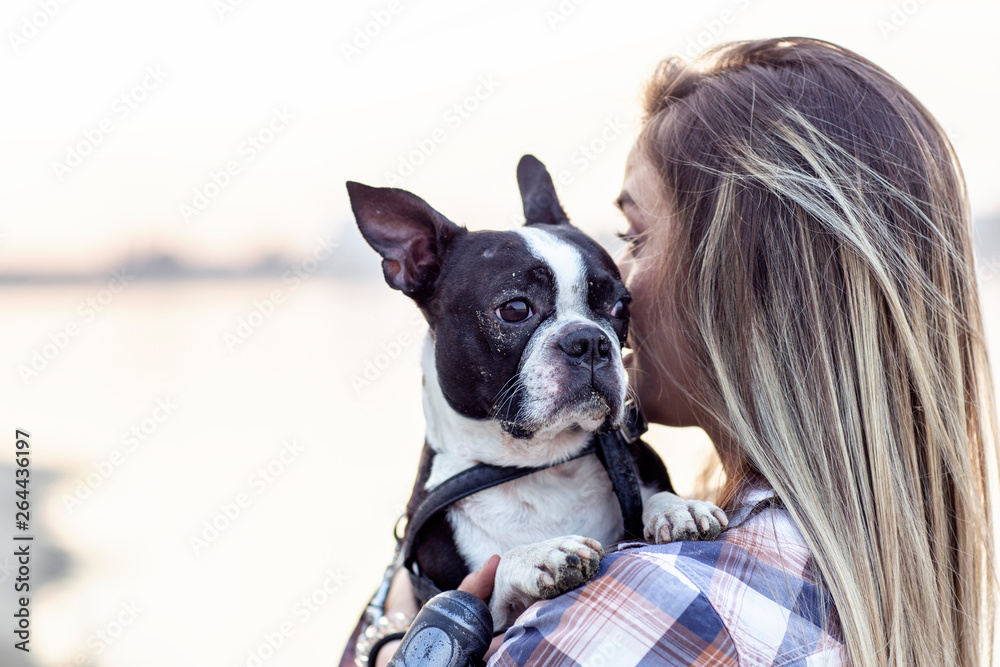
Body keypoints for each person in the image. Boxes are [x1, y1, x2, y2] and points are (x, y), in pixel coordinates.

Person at [382, 37, 999, 666]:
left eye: (636, 237)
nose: (617, 283)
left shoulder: (642, 613)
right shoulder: (862, 562)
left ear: (742, 279)